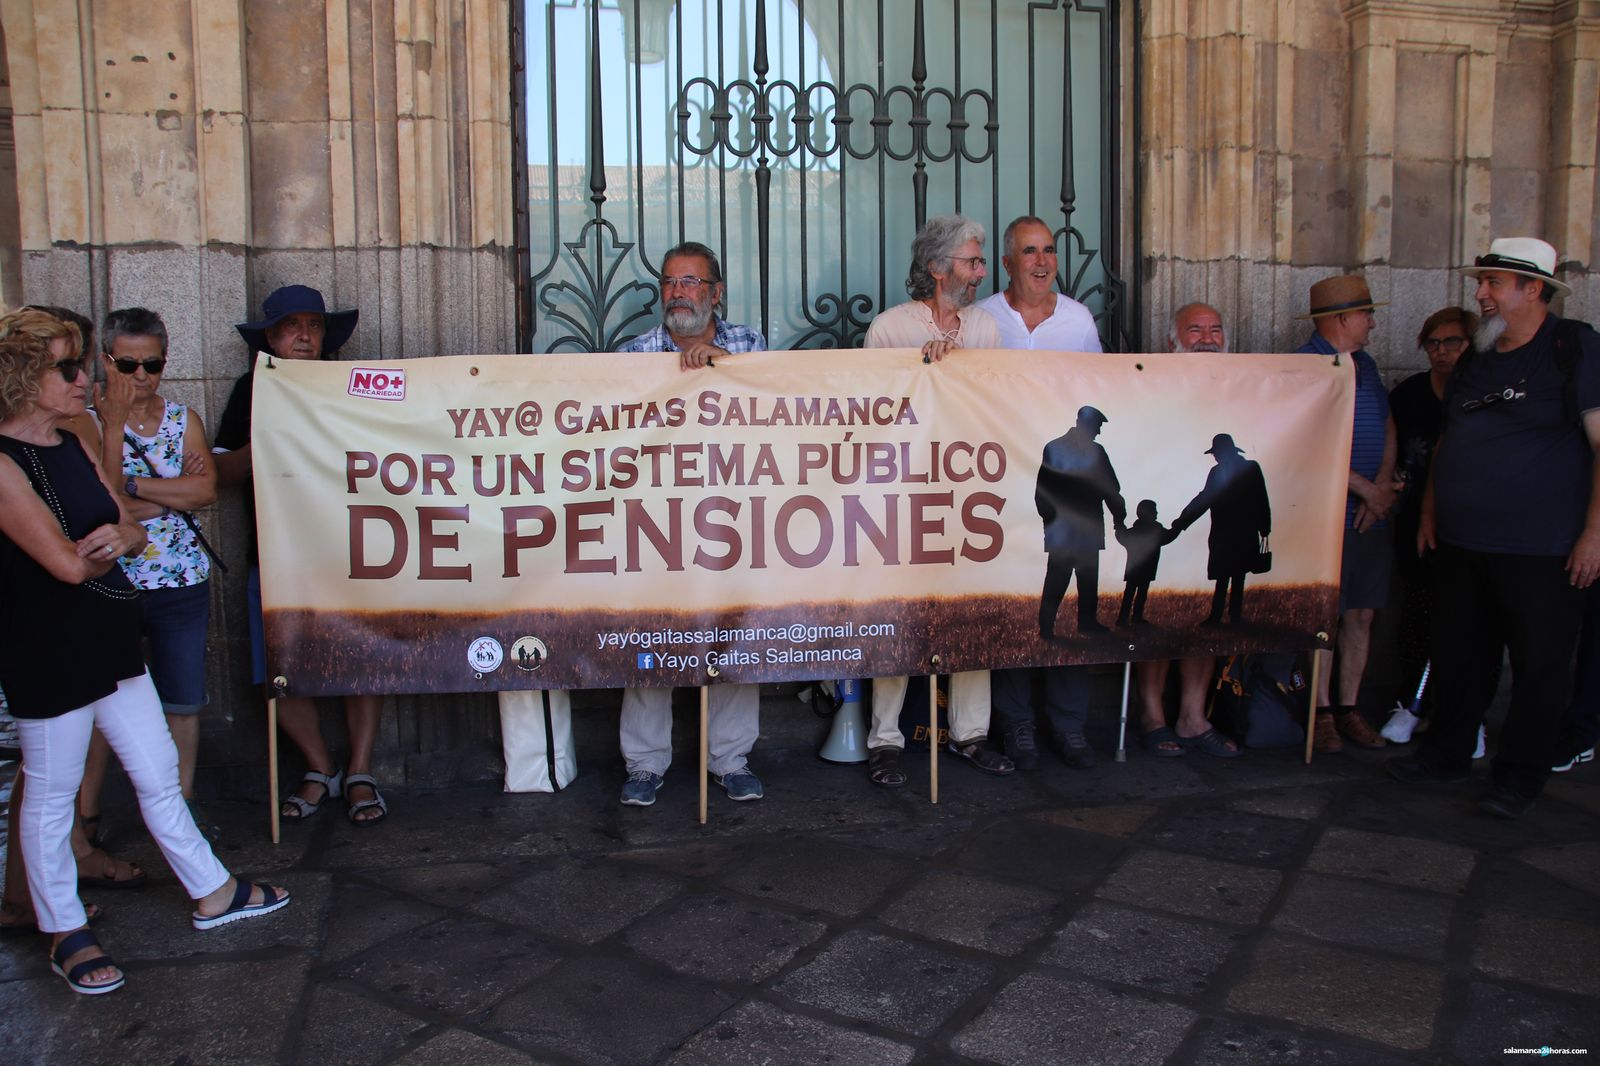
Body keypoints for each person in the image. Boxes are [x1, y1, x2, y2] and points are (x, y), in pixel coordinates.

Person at [0, 309, 288, 995]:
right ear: (25, 379)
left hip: (106, 632)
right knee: (52, 790)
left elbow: (122, 531)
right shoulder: (5, 462)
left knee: (158, 766)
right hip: (50, 646)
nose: (86, 379)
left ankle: (212, 889)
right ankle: (64, 929)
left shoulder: (69, 445)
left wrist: (105, 543)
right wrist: (98, 547)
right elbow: (67, 565)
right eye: (68, 368)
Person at [1390, 237, 1600, 818]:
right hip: (1462, 541)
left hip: (1543, 548)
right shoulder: (1477, 360)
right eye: (1481, 282)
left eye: (1493, 284)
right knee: (1460, 654)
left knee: (1539, 665)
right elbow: (1449, 443)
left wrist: (1594, 534)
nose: (1479, 295)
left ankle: (1519, 776)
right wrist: (1431, 511)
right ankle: (1447, 756)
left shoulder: (1573, 348)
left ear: (1534, 290)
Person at [214, 285, 390, 826]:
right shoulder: (252, 390)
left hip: (349, 552)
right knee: (280, 669)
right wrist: (268, 436)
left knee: (362, 663)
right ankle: (319, 769)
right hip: (277, 555)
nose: (305, 335)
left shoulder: (351, 387)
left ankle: (360, 771)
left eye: (313, 325)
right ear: (270, 337)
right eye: (292, 326)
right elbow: (220, 471)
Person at [614, 242, 766, 805]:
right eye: (671, 283)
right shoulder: (632, 354)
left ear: (716, 291)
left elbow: (777, 412)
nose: (679, 293)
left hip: (733, 517)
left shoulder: (750, 345)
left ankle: (731, 760)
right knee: (650, 634)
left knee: (736, 636)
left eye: (692, 282)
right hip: (658, 519)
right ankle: (644, 765)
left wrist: (718, 365)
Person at [862, 215, 1010, 785]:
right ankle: (886, 741)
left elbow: (997, 401)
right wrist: (915, 373)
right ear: (937, 268)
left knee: (973, 607)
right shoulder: (890, 328)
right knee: (899, 613)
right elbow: (873, 409)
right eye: (972, 261)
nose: (980, 272)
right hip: (904, 494)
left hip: (971, 491)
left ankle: (972, 734)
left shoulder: (987, 329)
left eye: (978, 262)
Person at [92, 308, 220, 837]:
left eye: (152, 364)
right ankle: (88, 815)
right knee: (96, 700)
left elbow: (205, 491)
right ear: (106, 361)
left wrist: (139, 491)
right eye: (128, 364)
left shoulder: (183, 419)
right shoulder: (87, 418)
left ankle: (181, 809)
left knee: (183, 699)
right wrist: (169, 491)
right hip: (108, 578)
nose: (141, 375)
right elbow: (99, 498)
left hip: (180, 579)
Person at [981, 216, 1104, 771]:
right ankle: (1017, 724)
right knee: (1016, 603)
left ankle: (1069, 725)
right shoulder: (983, 319)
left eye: (1049, 250)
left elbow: (1106, 388)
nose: (1041, 261)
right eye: (1029, 251)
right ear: (1007, 263)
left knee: (1072, 606)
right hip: (1004, 484)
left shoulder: (1078, 320)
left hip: (1069, 494)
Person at [1134, 303, 1239, 757]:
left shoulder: (1242, 387)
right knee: (1159, 614)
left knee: (1205, 613)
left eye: (1216, 329)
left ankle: (1194, 716)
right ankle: (1152, 715)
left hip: (1216, 526)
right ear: (1171, 341)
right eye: (1195, 330)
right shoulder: (1149, 384)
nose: (1207, 338)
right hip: (1168, 519)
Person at [1295, 275, 1395, 753]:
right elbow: (1304, 443)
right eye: (1366, 314)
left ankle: (1348, 708)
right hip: (1328, 511)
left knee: (1361, 613)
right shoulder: (1304, 367)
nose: (1372, 322)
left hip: (1368, 512)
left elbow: (1388, 424)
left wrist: (1382, 491)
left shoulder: (1369, 365)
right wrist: (1363, 490)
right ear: (1341, 319)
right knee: (1326, 614)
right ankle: (1320, 713)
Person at [1381, 306, 1476, 743]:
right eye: (1433, 343)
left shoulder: (1482, 391)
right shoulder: (1410, 394)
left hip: (1471, 520)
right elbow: (1393, 447)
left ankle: (1464, 717)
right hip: (1416, 518)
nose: (1441, 352)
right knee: (1417, 613)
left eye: (1451, 342)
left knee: (1471, 622)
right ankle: (1411, 702)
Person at [1036, 405, 1125, 638]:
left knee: (1056, 579)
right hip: (1087, 528)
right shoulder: (1096, 452)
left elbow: (1041, 492)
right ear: (1088, 424)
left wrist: (1051, 523)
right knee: (1085, 580)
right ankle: (1086, 623)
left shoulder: (1054, 447)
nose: (1098, 432)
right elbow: (1111, 489)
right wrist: (1119, 518)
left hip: (1062, 530)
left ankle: (1046, 627)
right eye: (1097, 427)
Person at [1116, 499, 1180, 627]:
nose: (1156, 513)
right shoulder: (1156, 530)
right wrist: (1179, 526)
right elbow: (1169, 536)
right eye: (1154, 510)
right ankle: (1136, 617)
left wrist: (1119, 526)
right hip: (1147, 569)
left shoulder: (1134, 531)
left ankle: (1123, 619)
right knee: (1141, 594)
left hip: (1133, 569)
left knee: (1129, 593)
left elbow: (1122, 536)